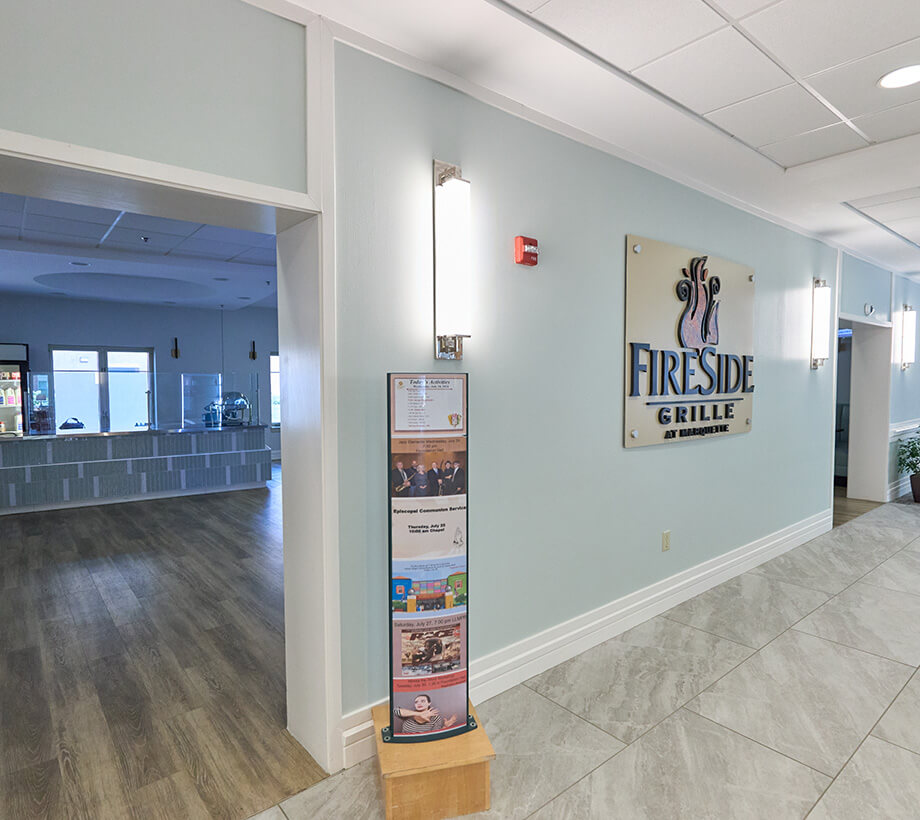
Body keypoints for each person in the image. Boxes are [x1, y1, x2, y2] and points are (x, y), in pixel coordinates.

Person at [394, 693, 458, 734]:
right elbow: (395, 710)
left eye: (423, 701)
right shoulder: (409, 714)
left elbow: (434, 736)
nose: (419, 703)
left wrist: (445, 727)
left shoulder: (435, 718)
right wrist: (419, 714)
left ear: (429, 703)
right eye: (416, 702)